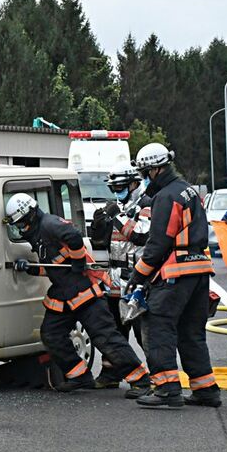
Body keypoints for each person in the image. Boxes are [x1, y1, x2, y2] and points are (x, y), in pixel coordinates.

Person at [8, 193, 150, 397]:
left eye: (21, 223)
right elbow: (55, 266)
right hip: (64, 294)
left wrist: (77, 260)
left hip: (85, 292)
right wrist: (31, 268)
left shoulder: (49, 224)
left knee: (106, 338)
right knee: (52, 335)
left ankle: (140, 380)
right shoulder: (39, 232)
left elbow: (73, 237)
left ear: (29, 215)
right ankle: (79, 375)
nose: (21, 228)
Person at [126, 143, 221, 408]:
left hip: (175, 274)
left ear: (155, 169)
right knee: (191, 333)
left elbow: (158, 244)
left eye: (146, 172)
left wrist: (137, 276)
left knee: (158, 329)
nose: (145, 178)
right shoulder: (188, 189)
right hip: (199, 271)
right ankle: (206, 390)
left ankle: (167, 390)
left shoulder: (167, 196)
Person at [89, 163, 151, 388]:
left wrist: (117, 217)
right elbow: (105, 244)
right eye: (114, 188)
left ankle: (158, 377)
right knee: (113, 331)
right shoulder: (117, 206)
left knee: (144, 334)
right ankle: (110, 373)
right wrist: (99, 227)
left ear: (134, 183)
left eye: (121, 187)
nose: (117, 193)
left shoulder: (145, 205)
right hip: (114, 278)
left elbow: (140, 236)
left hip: (137, 280)